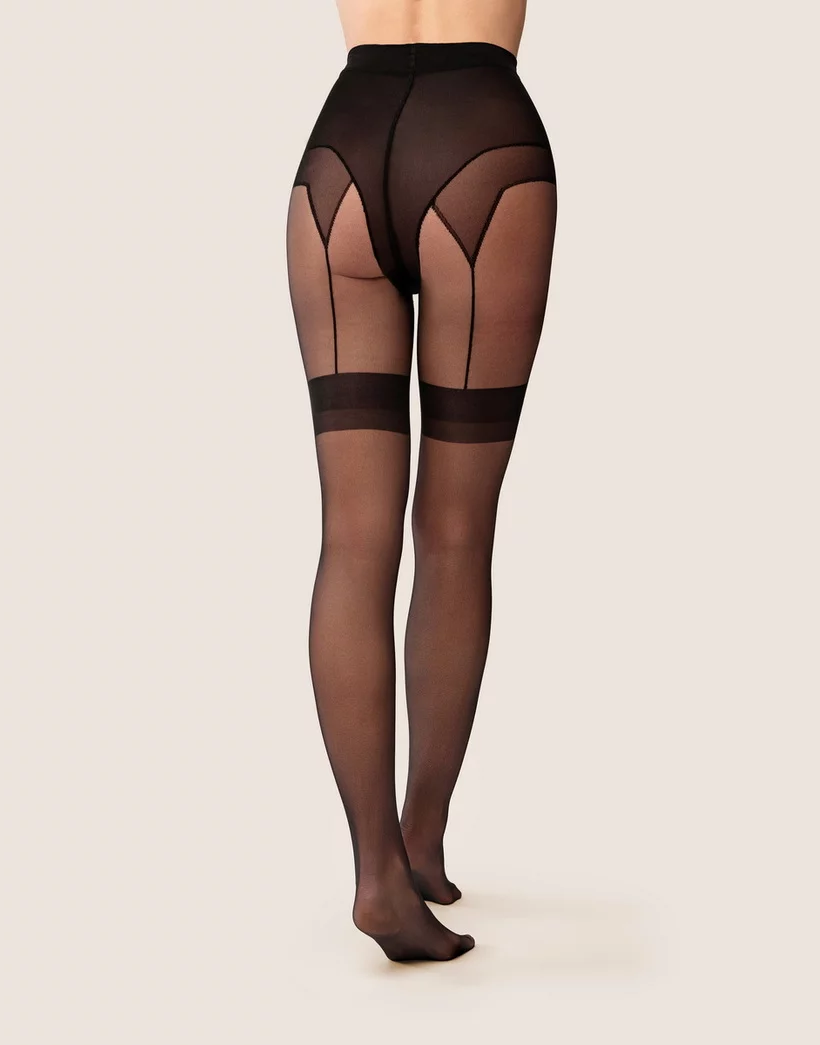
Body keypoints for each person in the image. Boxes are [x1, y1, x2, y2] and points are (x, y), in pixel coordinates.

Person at [285, 0, 557, 962]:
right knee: (455, 528)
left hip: (341, 153)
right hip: (480, 141)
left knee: (352, 537)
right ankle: (421, 838)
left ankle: (379, 871)